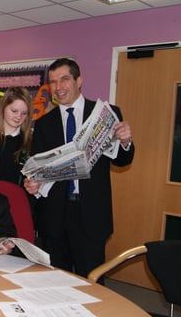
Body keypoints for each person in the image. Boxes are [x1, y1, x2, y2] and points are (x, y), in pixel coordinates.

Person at [23, 58, 134, 278]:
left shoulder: (105, 113)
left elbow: (122, 160)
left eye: (64, 79)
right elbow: (38, 169)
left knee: (92, 282)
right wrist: (33, 184)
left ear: (79, 80)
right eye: (53, 82)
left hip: (92, 215)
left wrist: (124, 142)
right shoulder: (44, 123)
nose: (58, 87)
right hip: (55, 217)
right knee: (57, 282)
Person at [0, 87, 33, 186]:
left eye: (24, 113)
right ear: (3, 107)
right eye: (14, 111)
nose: (19, 117)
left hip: (19, 199)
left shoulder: (32, 142)